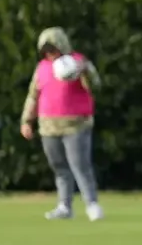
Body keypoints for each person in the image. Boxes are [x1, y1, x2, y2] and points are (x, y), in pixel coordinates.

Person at [20, 27, 104, 221]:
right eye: (46, 50)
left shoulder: (78, 62)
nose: (50, 54)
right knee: (59, 167)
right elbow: (33, 95)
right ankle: (64, 206)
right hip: (48, 126)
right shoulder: (41, 68)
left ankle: (92, 204)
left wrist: (84, 71)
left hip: (76, 124)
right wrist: (27, 120)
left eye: (53, 48)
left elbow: (94, 86)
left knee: (80, 165)